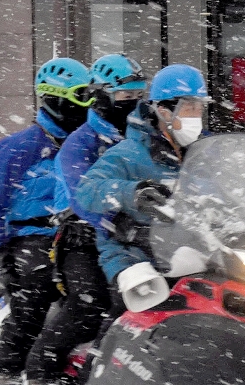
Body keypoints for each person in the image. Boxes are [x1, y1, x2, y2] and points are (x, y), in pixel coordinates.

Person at [21, 54, 146, 385]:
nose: (133, 102)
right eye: (124, 96)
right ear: (102, 95)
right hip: (83, 234)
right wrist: (115, 221)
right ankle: (41, 370)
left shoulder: (142, 134)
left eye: (139, 93)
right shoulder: (81, 142)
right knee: (90, 302)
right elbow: (81, 196)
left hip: (139, 233)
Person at [0, 57, 92, 385]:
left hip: (79, 233)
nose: (87, 106)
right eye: (80, 96)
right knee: (37, 287)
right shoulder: (19, 148)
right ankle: (9, 367)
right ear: (55, 98)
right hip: (33, 237)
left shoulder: (86, 145)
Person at [74, 63, 208, 315]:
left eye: (199, 108)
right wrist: (132, 192)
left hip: (188, 252)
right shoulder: (129, 153)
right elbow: (87, 191)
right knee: (130, 321)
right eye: (189, 108)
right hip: (134, 254)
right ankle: (101, 353)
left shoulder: (202, 152)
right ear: (164, 111)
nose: (196, 116)